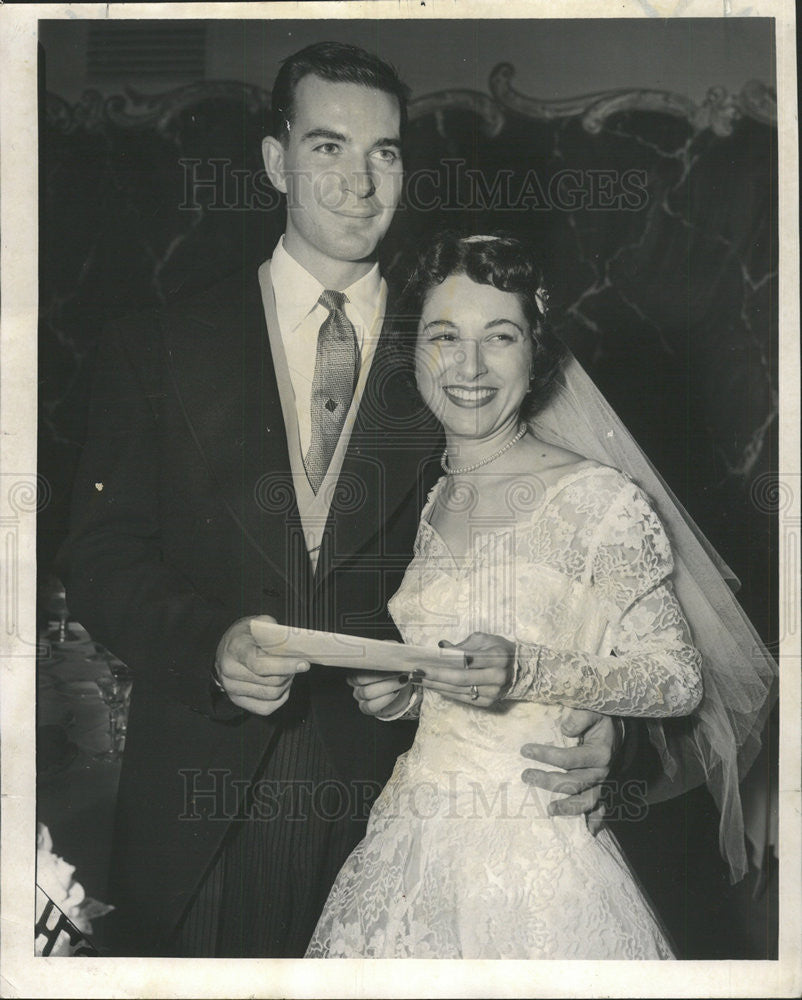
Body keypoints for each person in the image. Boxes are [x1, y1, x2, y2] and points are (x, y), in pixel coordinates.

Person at [61, 44, 620, 957]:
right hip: (197, 808)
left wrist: (604, 727)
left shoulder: (459, 351)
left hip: (402, 816)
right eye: (329, 147)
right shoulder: (157, 343)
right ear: (277, 160)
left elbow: (572, 563)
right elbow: (101, 554)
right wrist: (208, 645)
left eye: (386, 152)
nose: (361, 182)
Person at [305, 232, 778, 959]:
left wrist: (528, 670)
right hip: (408, 838)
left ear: (536, 352)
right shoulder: (427, 500)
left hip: (536, 862)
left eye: (500, 337)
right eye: (444, 336)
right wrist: (402, 689)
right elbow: (445, 673)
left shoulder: (598, 499)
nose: (468, 366)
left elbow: (677, 677)